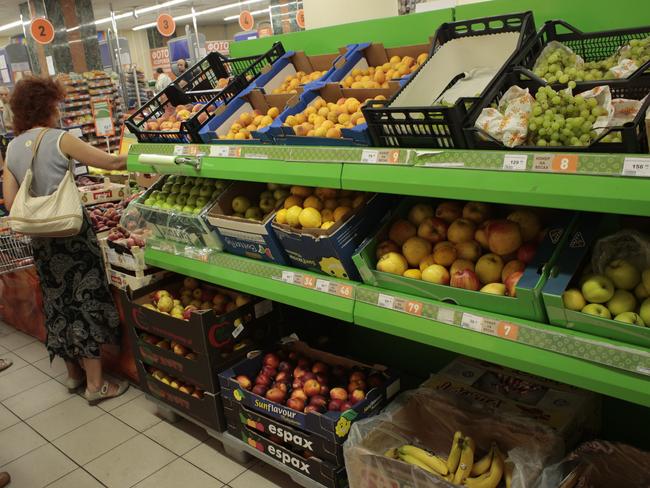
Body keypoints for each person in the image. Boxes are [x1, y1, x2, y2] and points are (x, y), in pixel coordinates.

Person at [2, 76, 129, 406]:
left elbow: (10, 201)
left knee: (58, 305)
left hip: (42, 241)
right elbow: (112, 162)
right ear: (47, 105)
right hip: (72, 236)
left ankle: (74, 377)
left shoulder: (12, 148)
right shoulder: (60, 139)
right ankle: (97, 385)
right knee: (85, 303)